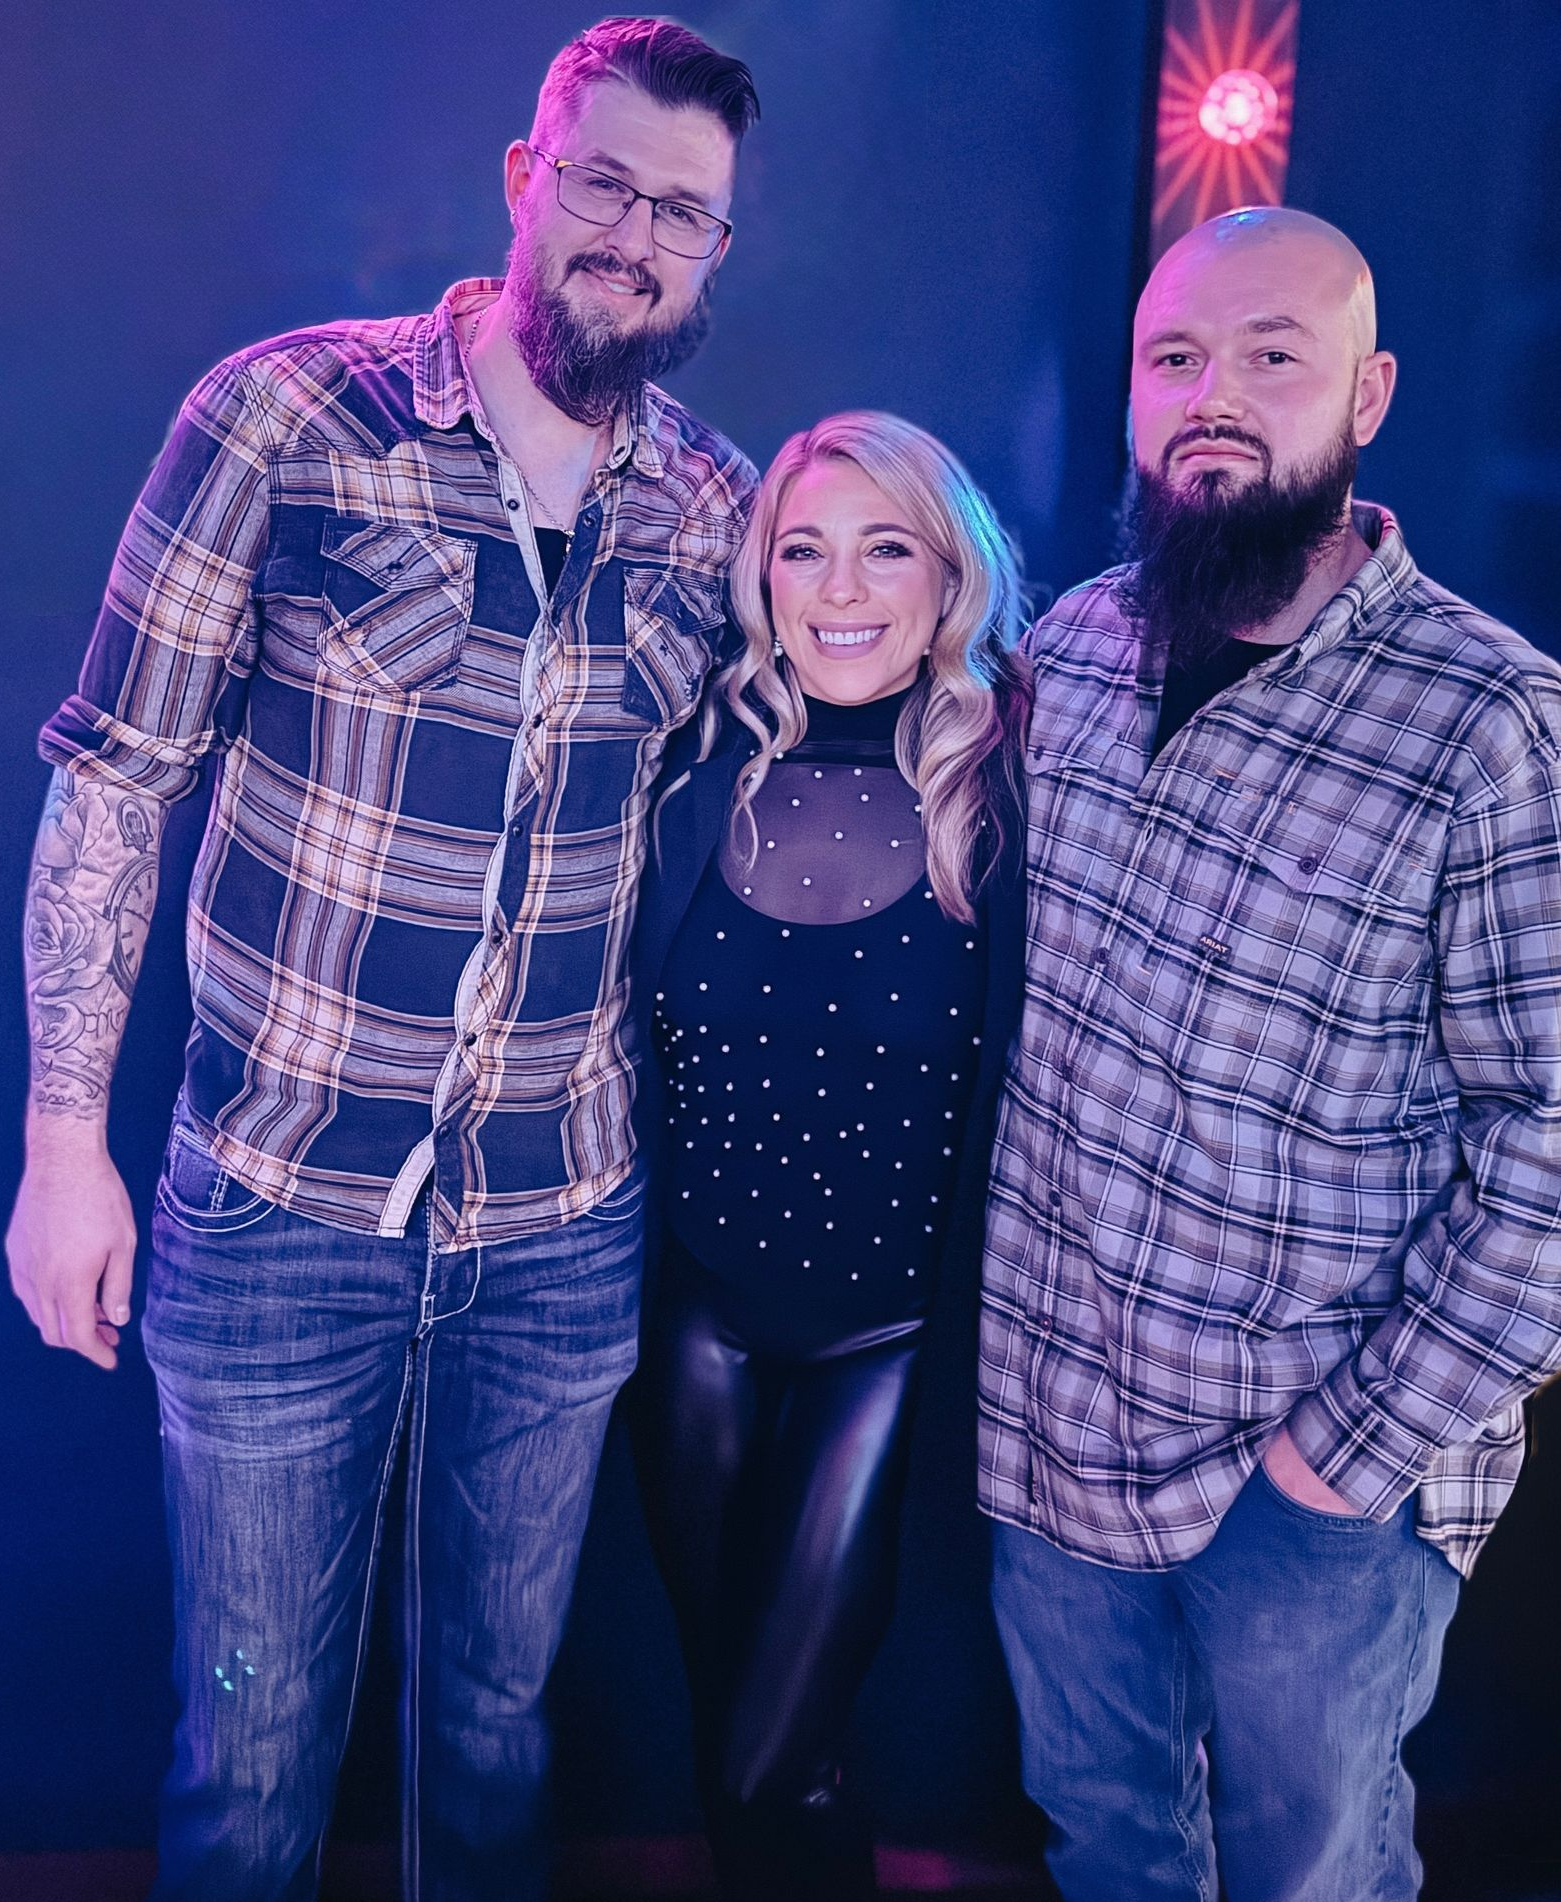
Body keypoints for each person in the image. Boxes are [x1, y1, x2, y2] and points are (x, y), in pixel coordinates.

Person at [7, 19, 759, 1901]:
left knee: (496, 1745)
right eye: (602, 181)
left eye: (685, 210)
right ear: (525, 179)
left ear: (718, 251)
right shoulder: (281, 417)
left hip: (561, 1223)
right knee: (246, 1755)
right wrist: (63, 1140)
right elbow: (115, 781)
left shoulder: (720, 511)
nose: (635, 234)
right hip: (272, 1203)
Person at [982, 203, 1561, 1902]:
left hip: (1307, 1481)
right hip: (1047, 1426)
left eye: (1270, 356)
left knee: (1312, 1875)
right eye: (1175, 358)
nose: (1211, 394)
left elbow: (1552, 1137)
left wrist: (1340, 1461)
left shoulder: (1494, 722)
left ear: (1367, 393)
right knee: (1107, 1844)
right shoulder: (1071, 653)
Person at [629, 411, 1031, 1899]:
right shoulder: (690, 762)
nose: (840, 586)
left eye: (886, 548)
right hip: (697, 1329)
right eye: (804, 547)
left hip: (884, 1339)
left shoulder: (1011, 783)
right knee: (751, 1730)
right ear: (763, 574)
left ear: (948, 580)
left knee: (763, 1747)